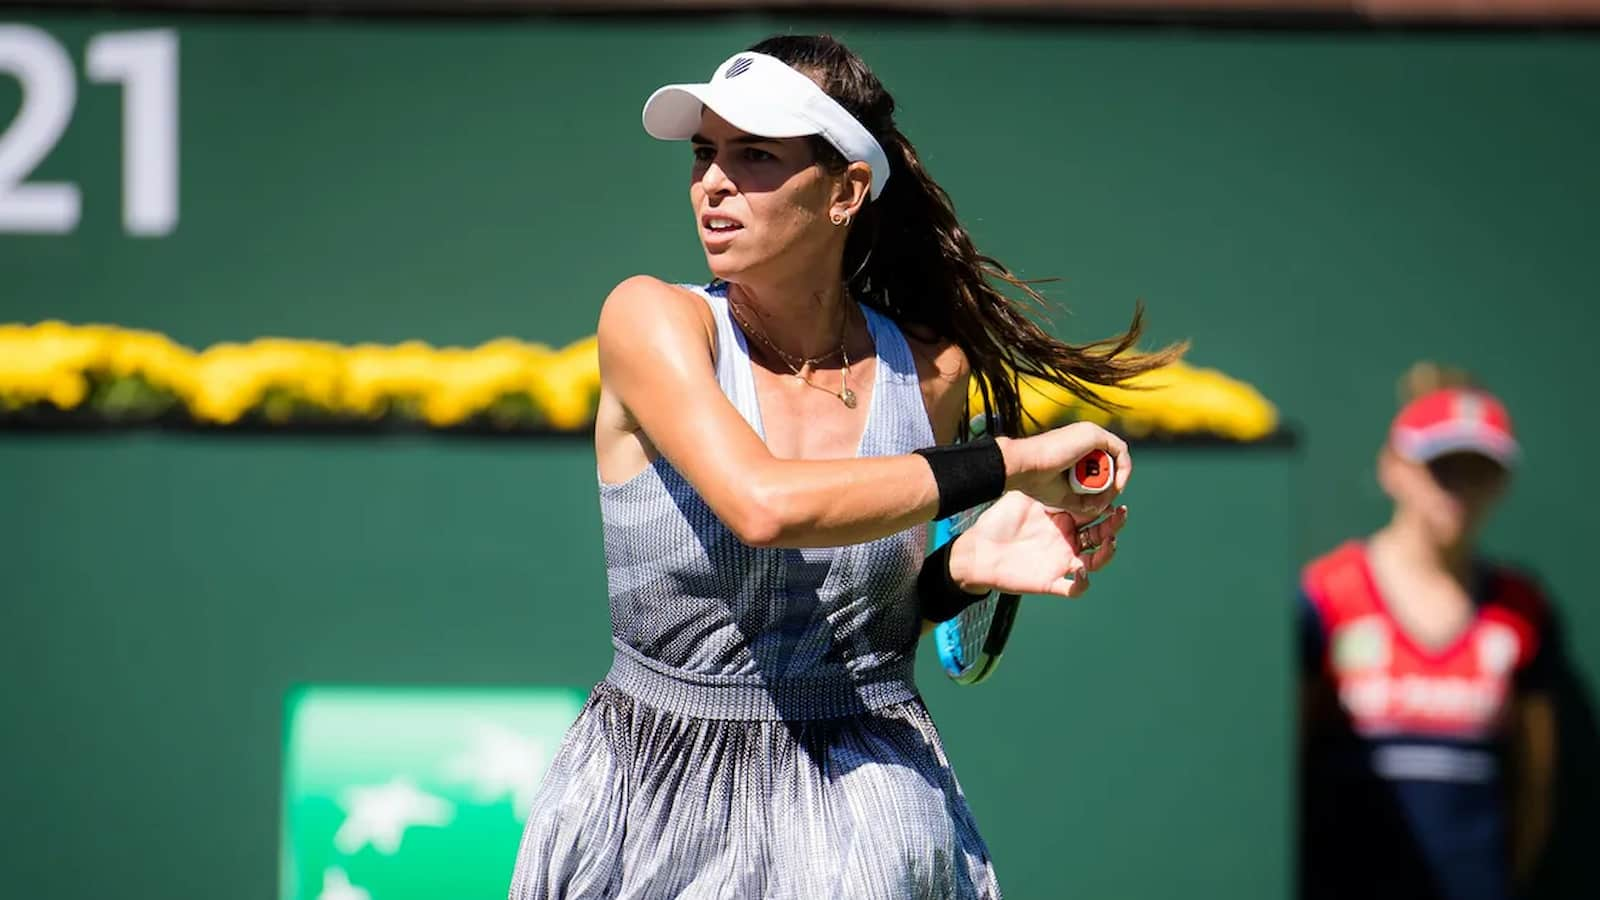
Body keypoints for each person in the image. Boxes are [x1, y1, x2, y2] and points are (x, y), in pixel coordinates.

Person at [509, 34, 1182, 899]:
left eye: (754, 156)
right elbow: (764, 508)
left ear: (846, 192)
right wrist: (1006, 463)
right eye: (705, 154)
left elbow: (849, 620)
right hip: (649, 804)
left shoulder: (934, 374)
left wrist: (956, 577)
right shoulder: (649, 319)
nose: (713, 183)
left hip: (868, 805)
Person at [1298, 363, 1558, 900]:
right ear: (1394, 467)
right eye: (1443, 467)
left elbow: (1536, 782)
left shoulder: (1521, 610)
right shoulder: (1328, 593)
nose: (1459, 489)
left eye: (1478, 470)